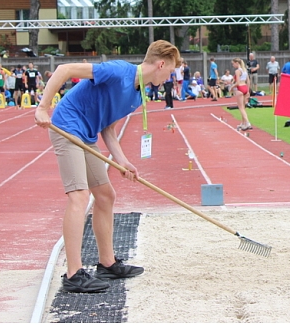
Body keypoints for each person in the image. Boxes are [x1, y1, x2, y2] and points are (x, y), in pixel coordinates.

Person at [34, 40, 181, 293]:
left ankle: (107, 263)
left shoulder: (138, 94)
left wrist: (122, 161)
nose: (170, 77)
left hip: (88, 134)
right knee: (79, 196)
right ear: (161, 64)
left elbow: (108, 128)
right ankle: (73, 274)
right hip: (66, 126)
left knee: (105, 194)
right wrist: (43, 107)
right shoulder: (118, 71)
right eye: (171, 70)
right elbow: (65, 70)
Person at [231, 58, 252, 131]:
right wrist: (248, 91)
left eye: (233, 63)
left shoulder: (237, 71)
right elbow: (248, 81)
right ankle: (243, 123)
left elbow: (237, 82)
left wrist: (231, 87)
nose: (233, 65)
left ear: (237, 63)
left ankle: (247, 122)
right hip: (245, 87)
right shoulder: (245, 70)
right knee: (243, 107)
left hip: (240, 88)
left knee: (241, 107)